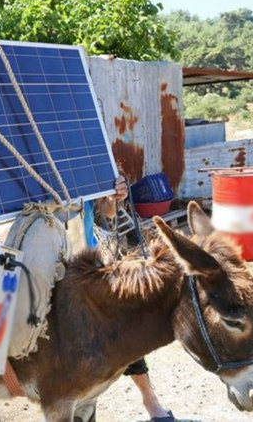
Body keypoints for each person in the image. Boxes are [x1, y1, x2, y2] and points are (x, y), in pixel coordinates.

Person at [86, 176, 174, 422]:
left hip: (89, 264)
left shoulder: (88, 162)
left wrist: (114, 197)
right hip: (53, 265)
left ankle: (150, 400)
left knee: (126, 325)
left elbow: (106, 214)